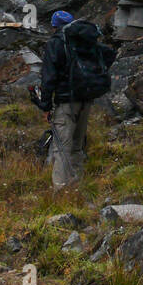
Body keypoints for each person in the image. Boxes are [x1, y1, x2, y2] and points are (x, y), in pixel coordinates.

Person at [36, 10, 116, 189]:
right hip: (86, 98)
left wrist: (45, 105)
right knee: (77, 145)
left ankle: (61, 190)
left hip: (66, 102)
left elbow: (49, 78)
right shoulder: (85, 41)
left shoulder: (56, 43)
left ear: (54, 26)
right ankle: (76, 184)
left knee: (62, 146)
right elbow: (110, 54)